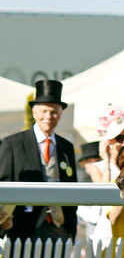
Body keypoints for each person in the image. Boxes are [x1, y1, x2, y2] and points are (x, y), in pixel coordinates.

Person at [0, 79, 77, 241]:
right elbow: (4, 184)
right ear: (34, 113)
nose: (49, 116)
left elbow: (72, 186)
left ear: (61, 114)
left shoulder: (66, 147)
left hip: (59, 228)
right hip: (23, 228)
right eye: (44, 111)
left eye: (54, 111)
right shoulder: (13, 144)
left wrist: (70, 228)